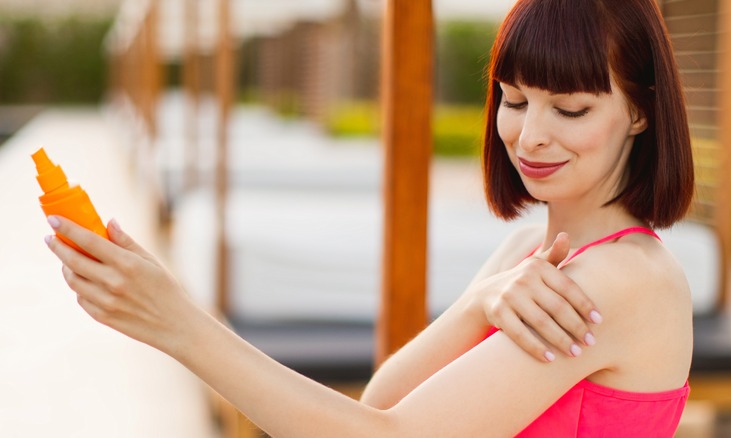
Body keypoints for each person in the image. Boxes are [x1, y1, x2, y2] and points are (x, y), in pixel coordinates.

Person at [45, 0, 694, 435]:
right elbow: (381, 402)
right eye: (515, 100)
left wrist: (179, 323)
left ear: (640, 111)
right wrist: (476, 305)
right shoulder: (526, 252)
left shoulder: (622, 281)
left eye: (570, 110)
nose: (529, 138)